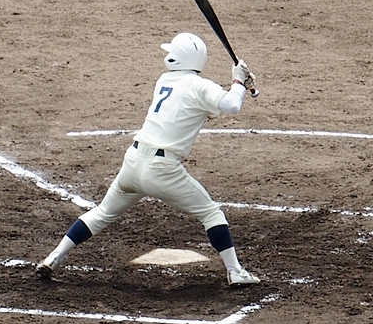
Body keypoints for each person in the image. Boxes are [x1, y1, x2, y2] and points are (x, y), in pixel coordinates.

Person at [36, 32, 261, 287]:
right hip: (162, 170)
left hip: (133, 162)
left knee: (102, 213)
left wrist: (238, 85)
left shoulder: (165, 80)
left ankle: (55, 256)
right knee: (211, 213)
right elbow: (230, 105)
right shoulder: (199, 87)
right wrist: (238, 81)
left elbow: (204, 103)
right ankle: (235, 271)